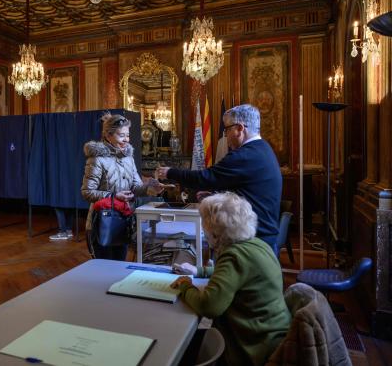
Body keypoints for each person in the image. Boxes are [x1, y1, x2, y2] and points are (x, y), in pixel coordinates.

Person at [171, 192, 291, 366]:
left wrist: (185, 286)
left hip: (255, 346)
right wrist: (200, 271)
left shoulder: (233, 256)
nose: (203, 230)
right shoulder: (257, 245)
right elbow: (238, 273)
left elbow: (209, 306)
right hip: (273, 334)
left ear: (215, 231)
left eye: (204, 224)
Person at [156, 104, 282, 253]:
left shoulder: (245, 155)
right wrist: (217, 196)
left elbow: (205, 178)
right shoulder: (263, 148)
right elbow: (246, 188)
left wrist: (170, 172)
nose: (226, 135)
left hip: (252, 241)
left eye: (227, 129)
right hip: (262, 236)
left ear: (240, 129)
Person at [81, 113, 163, 260]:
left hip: (123, 220)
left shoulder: (128, 158)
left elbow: (136, 186)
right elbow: (87, 192)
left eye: (128, 135)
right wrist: (113, 196)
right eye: (121, 135)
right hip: (103, 221)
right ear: (108, 135)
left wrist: (150, 187)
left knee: (120, 267)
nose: (126, 140)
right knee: (103, 270)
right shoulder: (97, 159)